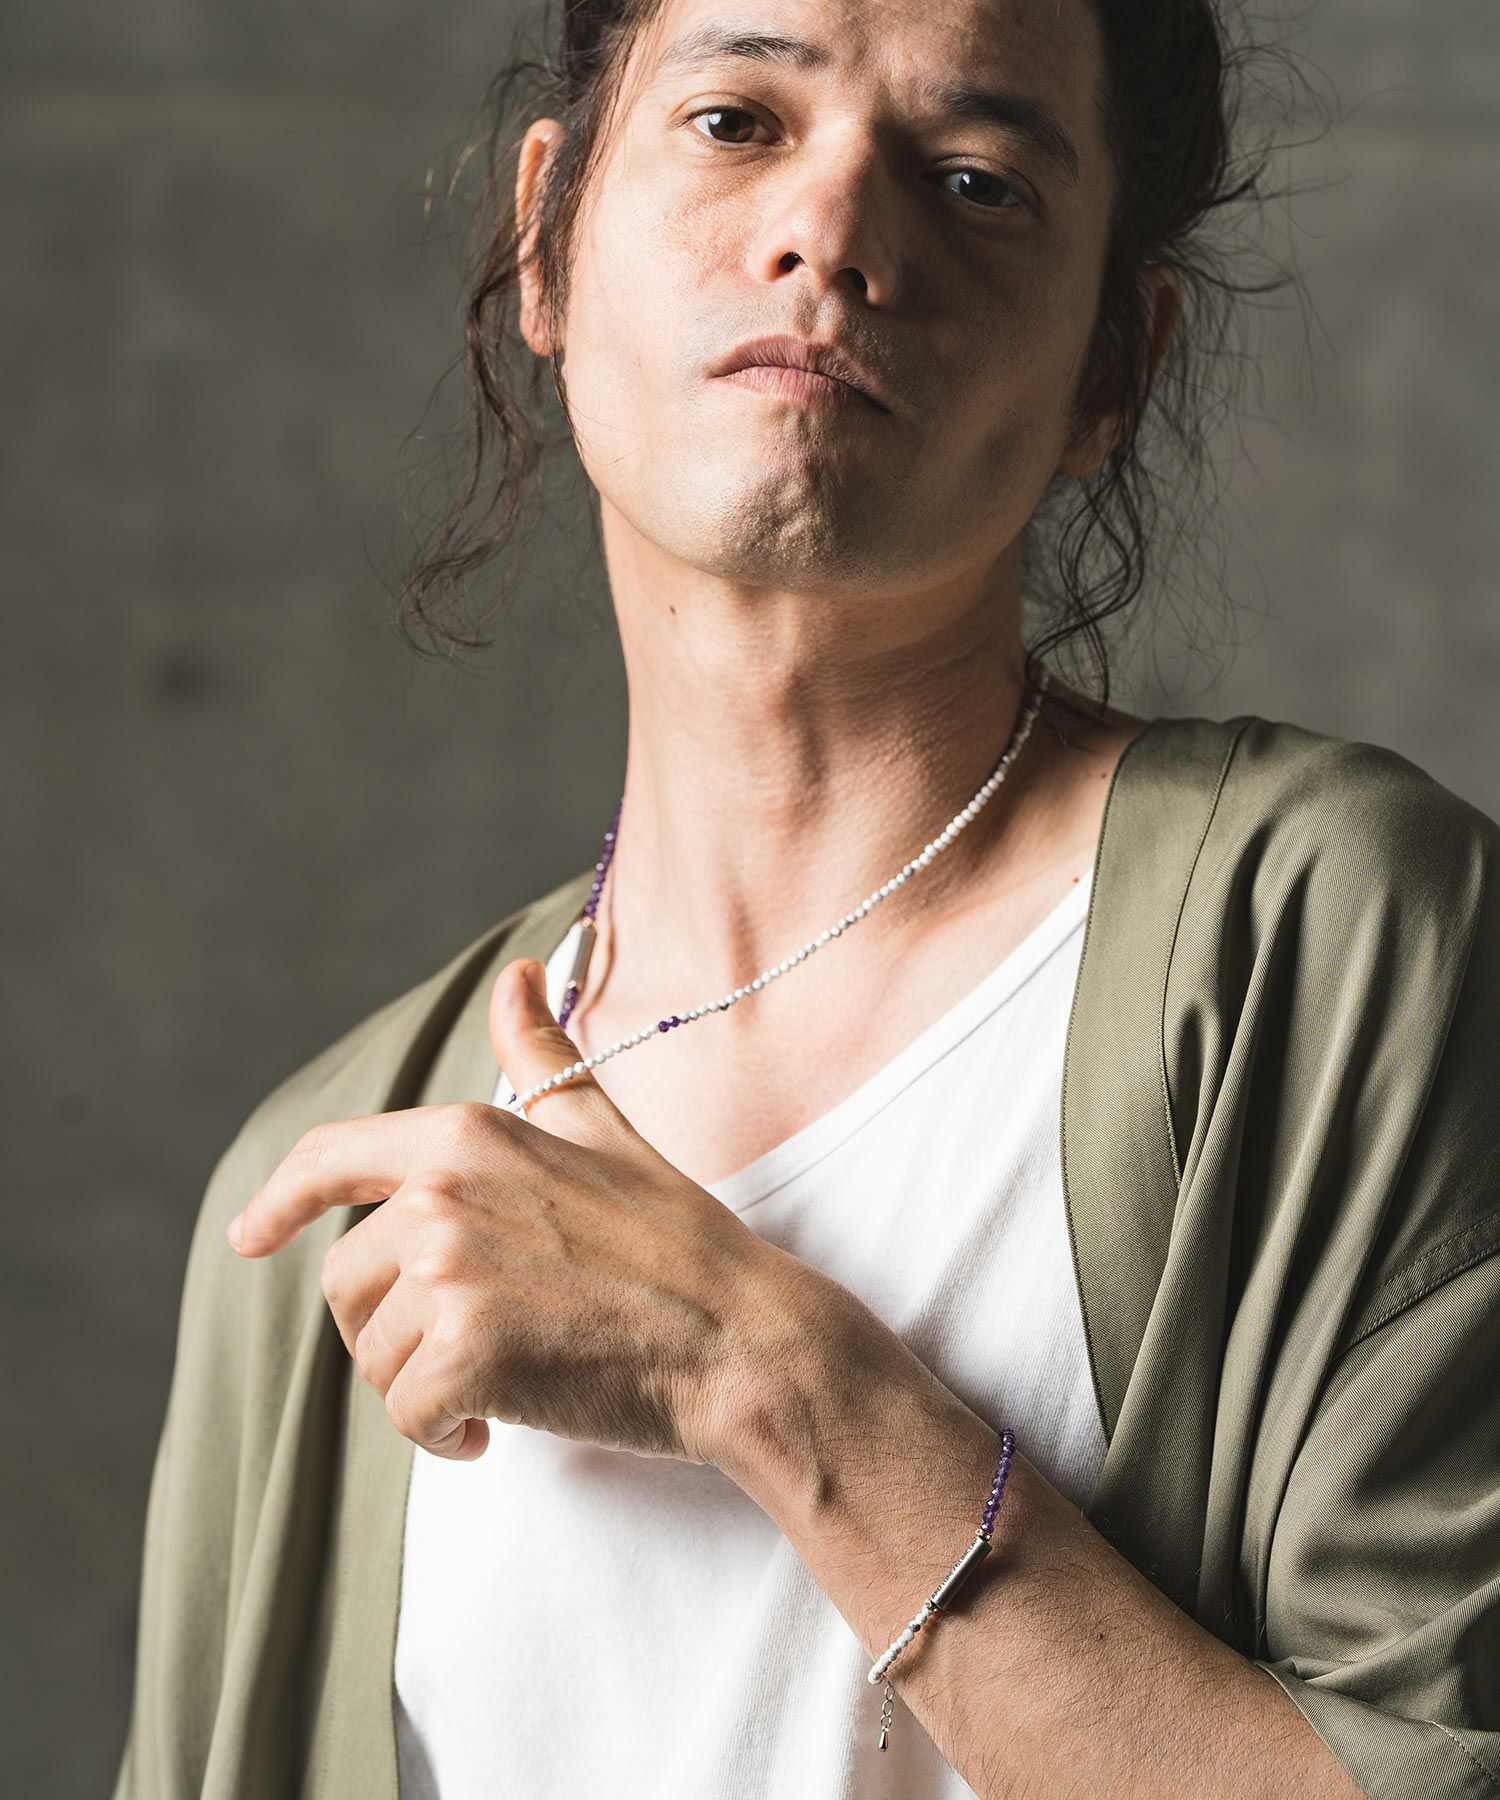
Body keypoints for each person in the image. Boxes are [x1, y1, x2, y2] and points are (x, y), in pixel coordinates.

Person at [112, 0, 1500, 1795]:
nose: (833, 230)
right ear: (546, 240)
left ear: (1113, 367)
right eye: (735, 121)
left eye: (979, 180)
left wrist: (755, 1370)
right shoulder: (332, 1187)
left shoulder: (1331, 944)